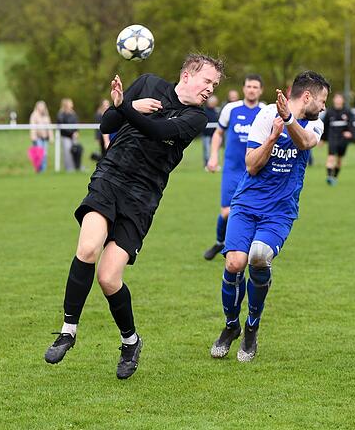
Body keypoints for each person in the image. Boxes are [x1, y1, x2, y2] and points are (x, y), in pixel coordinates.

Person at [44, 54, 224, 379]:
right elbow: (107, 125)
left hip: (142, 197)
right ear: (187, 75)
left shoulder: (196, 118)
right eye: (207, 81)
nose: (210, 89)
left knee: (109, 278)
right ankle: (68, 331)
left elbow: (157, 131)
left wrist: (128, 107)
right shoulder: (149, 83)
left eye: (214, 85)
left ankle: (131, 342)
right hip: (110, 177)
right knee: (87, 249)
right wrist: (121, 106)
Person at [209, 71, 328, 363]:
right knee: (235, 262)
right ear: (308, 96)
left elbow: (305, 144)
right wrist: (273, 137)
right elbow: (251, 165)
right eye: (322, 100)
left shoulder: (315, 123)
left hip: (280, 210)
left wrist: (288, 122)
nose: (324, 107)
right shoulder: (264, 116)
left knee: (259, 256)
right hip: (248, 202)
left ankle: (252, 327)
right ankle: (230, 326)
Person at [204, 75, 265, 260]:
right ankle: (220, 242)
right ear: (244, 88)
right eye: (249, 86)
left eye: (255, 87)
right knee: (227, 212)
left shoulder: (265, 111)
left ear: (260, 90)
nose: (252, 90)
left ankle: (246, 247)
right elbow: (218, 133)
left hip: (255, 171)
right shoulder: (231, 109)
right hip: (232, 169)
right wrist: (213, 156)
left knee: (255, 211)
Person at [322, 93, 354, 186]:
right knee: (331, 157)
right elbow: (325, 126)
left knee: (339, 160)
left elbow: (351, 124)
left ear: (343, 100)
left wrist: (349, 132)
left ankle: (335, 177)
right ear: (334, 100)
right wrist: (322, 139)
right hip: (333, 138)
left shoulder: (347, 112)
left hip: (343, 139)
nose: (338, 100)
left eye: (340, 98)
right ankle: (329, 177)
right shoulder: (330, 112)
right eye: (337, 98)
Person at [57, 98, 80, 172]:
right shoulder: (61, 114)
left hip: (73, 136)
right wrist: (71, 133)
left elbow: (76, 124)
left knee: (76, 150)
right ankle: (69, 168)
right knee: (67, 152)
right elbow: (61, 126)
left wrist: (76, 132)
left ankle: (77, 166)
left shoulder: (73, 113)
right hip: (65, 136)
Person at [29, 101, 52, 173]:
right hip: (38, 138)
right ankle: (38, 170)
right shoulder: (34, 115)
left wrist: (51, 137)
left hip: (45, 138)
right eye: (40, 106)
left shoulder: (46, 115)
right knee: (39, 155)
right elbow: (32, 127)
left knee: (44, 154)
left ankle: (43, 170)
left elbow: (49, 127)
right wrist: (33, 137)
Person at [201, 95, 220, 166]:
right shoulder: (204, 111)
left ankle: (214, 163)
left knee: (214, 150)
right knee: (207, 150)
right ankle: (207, 164)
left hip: (215, 134)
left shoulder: (217, 111)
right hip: (206, 134)